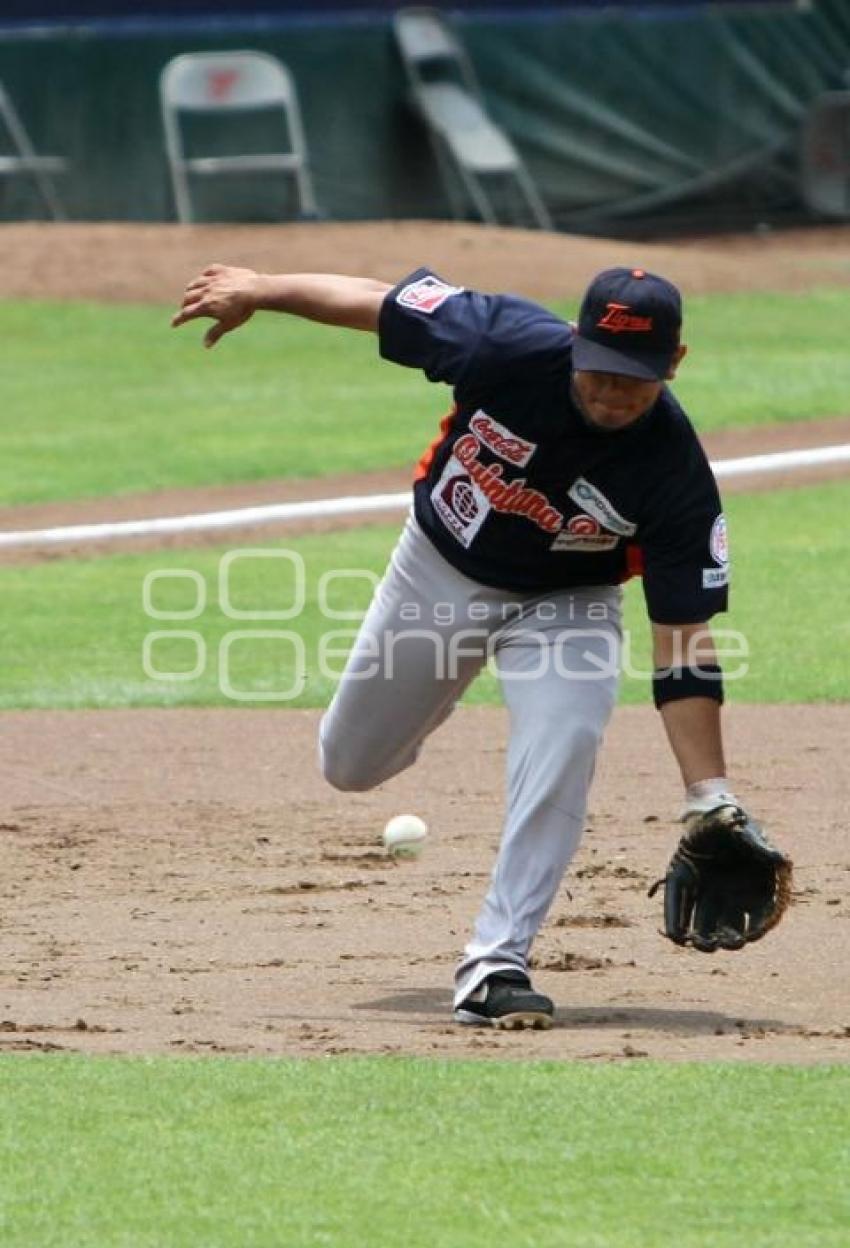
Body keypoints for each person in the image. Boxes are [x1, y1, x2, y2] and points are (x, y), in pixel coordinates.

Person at [171, 261, 754, 1031]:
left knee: (567, 738)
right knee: (351, 765)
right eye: (601, 373)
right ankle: (426, 697)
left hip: (566, 605)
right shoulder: (504, 341)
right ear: (575, 342)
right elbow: (375, 306)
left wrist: (708, 795)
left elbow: (684, 641)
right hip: (437, 573)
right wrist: (262, 288)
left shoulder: (675, 476)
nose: (614, 394)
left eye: (636, 379)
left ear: (675, 364)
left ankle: (497, 962)